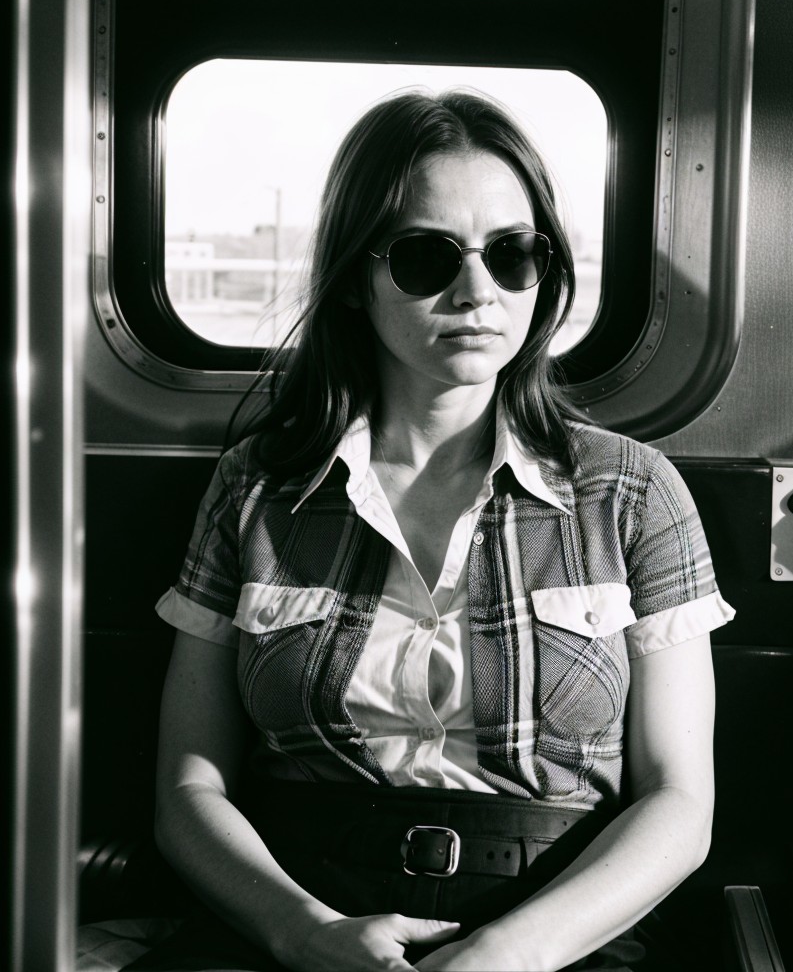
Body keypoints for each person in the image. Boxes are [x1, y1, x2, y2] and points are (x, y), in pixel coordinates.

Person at [138, 89, 732, 971]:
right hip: (299, 909)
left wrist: (513, 954)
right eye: (425, 257)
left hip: (556, 924)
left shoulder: (631, 493)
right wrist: (303, 931)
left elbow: (679, 803)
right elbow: (190, 784)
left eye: (512, 254)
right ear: (354, 280)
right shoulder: (260, 487)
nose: (475, 290)